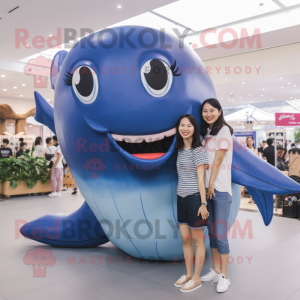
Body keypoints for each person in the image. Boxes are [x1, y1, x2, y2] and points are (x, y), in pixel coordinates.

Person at [199, 98, 233, 293]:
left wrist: (211, 184)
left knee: (220, 234)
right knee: (211, 233)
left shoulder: (224, 131)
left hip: (218, 189)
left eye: (212, 110)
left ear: (219, 112)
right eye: (205, 111)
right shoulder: (207, 134)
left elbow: (218, 161)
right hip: (207, 188)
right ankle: (216, 269)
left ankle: (225, 277)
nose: (208, 114)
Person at [173, 114, 209, 293]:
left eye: (188, 125)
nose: (185, 128)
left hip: (195, 198)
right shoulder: (178, 149)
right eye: (182, 125)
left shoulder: (199, 151)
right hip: (180, 198)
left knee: (197, 240)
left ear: (194, 128)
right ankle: (188, 274)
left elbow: (201, 179)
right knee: (185, 240)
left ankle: (197, 278)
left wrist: (203, 203)